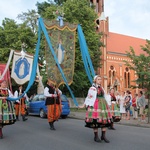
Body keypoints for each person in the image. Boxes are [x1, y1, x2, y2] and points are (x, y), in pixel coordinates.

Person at [79, 75, 112, 143]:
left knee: (104, 120)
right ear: (95, 80)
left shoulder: (102, 88)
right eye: (98, 79)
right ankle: (96, 136)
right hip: (95, 105)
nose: (100, 80)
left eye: (100, 79)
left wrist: (109, 104)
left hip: (103, 105)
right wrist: (84, 105)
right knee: (95, 121)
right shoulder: (92, 88)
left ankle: (103, 136)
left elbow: (105, 96)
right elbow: (89, 97)